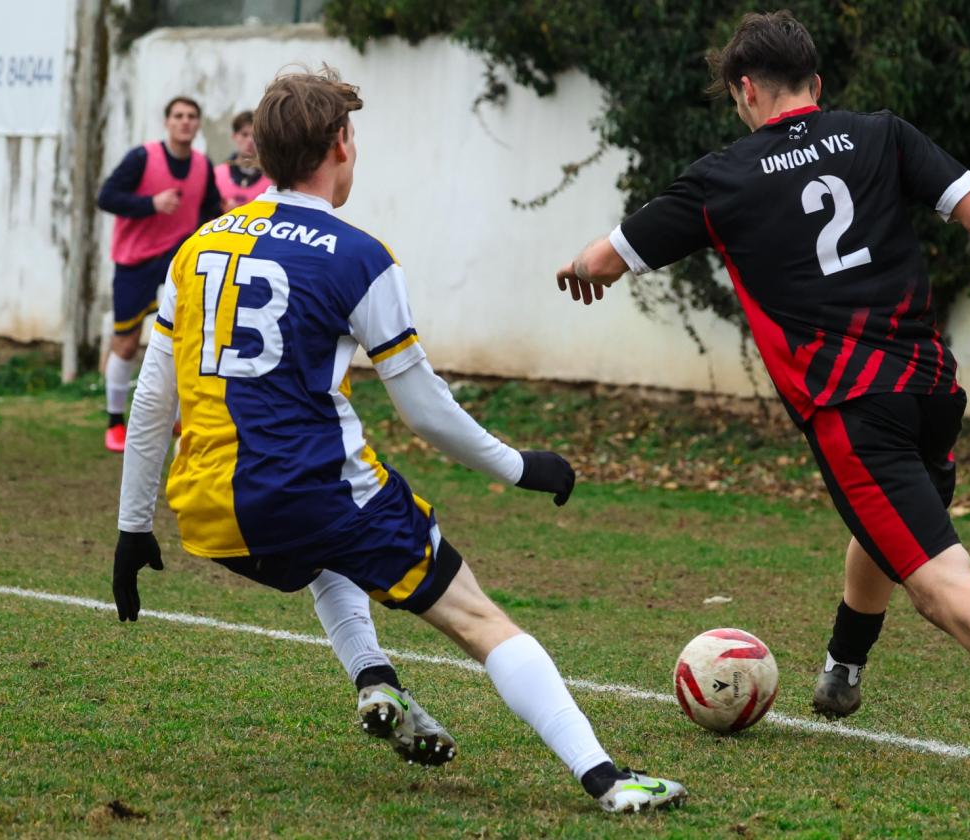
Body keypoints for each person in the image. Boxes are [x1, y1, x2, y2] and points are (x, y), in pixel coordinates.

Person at [554, 12, 970, 808]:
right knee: (890, 529)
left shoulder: (721, 179)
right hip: (930, 388)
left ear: (746, 90)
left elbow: (602, 259)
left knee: (938, 582)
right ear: (817, 84)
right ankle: (842, 668)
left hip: (853, 406)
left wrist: (583, 268)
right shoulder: (882, 135)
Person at [110, 66, 686, 814]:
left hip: (209, 510)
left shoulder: (194, 249)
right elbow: (426, 412)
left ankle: (375, 677)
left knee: (322, 552)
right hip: (318, 490)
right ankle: (607, 778)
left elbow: (151, 398)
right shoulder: (359, 256)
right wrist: (520, 466)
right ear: (341, 145)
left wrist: (132, 527)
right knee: (476, 617)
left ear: (264, 153)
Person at [97, 96, 222, 452]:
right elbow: (106, 197)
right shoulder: (142, 157)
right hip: (135, 260)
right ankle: (114, 421)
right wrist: (150, 204)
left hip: (177, 262)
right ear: (167, 122)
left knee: (186, 337)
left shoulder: (203, 165)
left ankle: (180, 418)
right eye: (178, 115)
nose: (185, 121)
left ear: (198, 124)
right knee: (126, 340)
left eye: (192, 116)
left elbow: (209, 212)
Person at [215, 110, 272, 212]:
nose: (250, 140)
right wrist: (220, 210)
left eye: (255, 136)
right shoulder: (217, 174)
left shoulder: (271, 177)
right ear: (234, 136)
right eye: (244, 134)